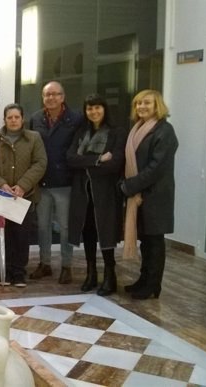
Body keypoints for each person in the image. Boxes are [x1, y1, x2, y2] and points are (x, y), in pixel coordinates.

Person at [0, 103, 47, 287]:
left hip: (24, 196)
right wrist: (1, 184)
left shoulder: (34, 138)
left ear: (22, 119)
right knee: (4, 235)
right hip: (1, 196)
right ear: (4, 120)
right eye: (10, 117)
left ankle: (19, 273)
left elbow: (40, 163)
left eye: (17, 117)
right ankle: (5, 271)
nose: (13, 120)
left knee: (21, 236)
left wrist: (23, 186)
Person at [121, 90, 178, 300]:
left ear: (157, 106)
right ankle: (144, 280)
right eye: (138, 104)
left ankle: (153, 285)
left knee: (154, 241)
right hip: (139, 196)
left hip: (155, 196)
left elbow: (156, 168)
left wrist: (129, 186)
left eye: (147, 103)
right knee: (145, 241)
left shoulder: (165, 131)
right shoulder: (137, 129)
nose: (142, 107)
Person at [67, 94, 126, 296]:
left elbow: (116, 163)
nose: (93, 112)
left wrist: (86, 163)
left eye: (97, 108)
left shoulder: (116, 132)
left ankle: (110, 276)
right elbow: (71, 158)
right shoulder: (82, 132)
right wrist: (98, 159)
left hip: (106, 193)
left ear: (104, 109)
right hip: (83, 193)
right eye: (89, 108)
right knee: (88, 232)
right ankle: (91, 274)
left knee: (106, 233)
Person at [28, 81, 81, 284]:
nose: (51, 98)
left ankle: (66, 266)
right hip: (41, 182)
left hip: (65, 182)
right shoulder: (36, 118)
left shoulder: (75, 119)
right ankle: (45, 263)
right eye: (47, 95)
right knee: (42, 226)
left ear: (63, 96)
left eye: (55, 94)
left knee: (65, 227)